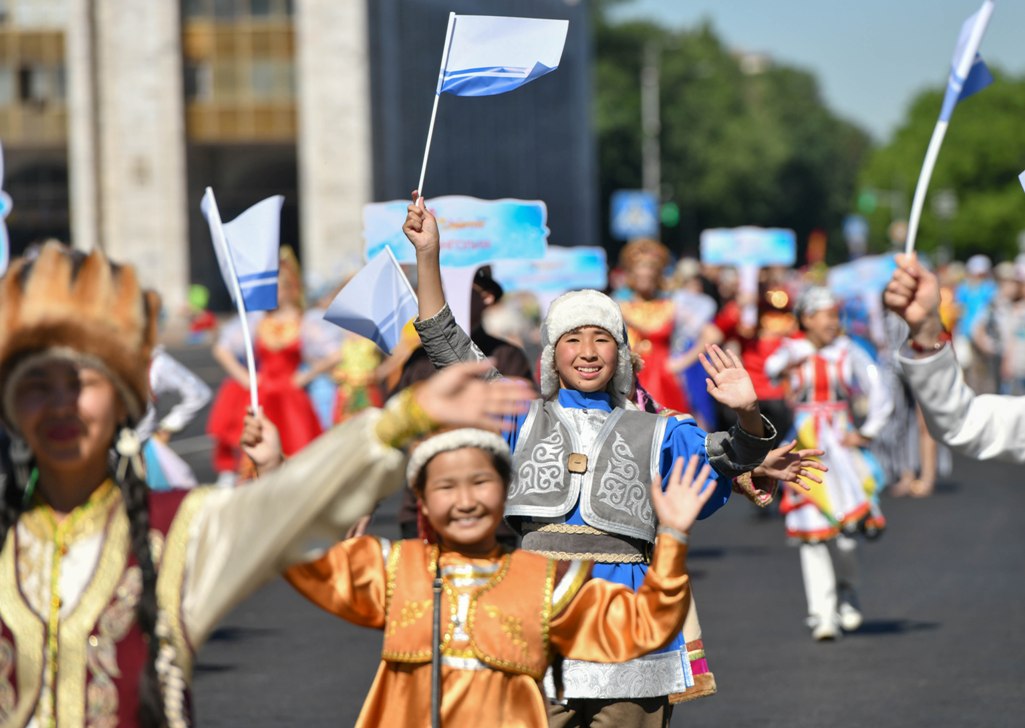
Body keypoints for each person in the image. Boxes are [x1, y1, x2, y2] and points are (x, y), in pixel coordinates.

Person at [0, 242, 531, 727]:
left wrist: (404, 417)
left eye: (80, 383)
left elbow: (287, 505)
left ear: (122, 397)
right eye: (36, 385)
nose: (60, 406)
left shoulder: (180, 529)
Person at [404, 194, 776, 725]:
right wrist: (428, 255)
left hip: (629, 617)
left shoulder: (661, 429)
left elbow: (729, 462)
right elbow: (447, 346)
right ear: (551, 355)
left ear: (619, 353)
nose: (587, 350)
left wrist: (749, 416)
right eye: (572, 339)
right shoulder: (519, 415)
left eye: (601, 338)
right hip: (533, 610)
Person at [283, 427, 715, 727]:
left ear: (508, 490)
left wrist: (673, 537)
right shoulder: (396, 569)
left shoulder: (544, 583)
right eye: (447, 487)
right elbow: (301, 563)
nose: (466, 500)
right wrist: (270, 469)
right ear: (424, 503)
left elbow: (644, 625)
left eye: (481, 482)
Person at [765, 286, 893, 641]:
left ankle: (848, 591)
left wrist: (867, 432)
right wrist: (799, 354)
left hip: (841, 444)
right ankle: (822, 613)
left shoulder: (849, 351)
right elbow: (771, 369)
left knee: (849, 533)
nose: (833, 322)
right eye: (825, 315)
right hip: (806, 447)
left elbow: (878, 388)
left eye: (836, 315)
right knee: (811, 535)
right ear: (806, 319)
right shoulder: (793, 352)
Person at [884, 253, 1025, 462]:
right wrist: (926, 329)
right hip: (969, 343)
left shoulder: (988, 291)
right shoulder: (968, 291)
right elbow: (963, 423)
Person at [206, 247, 328, 485]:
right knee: (254, 447)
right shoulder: (259, 320)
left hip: (290, 397)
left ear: (289, 289)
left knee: (297, 449)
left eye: (278, 288)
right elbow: (222, 349)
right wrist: (245, 378)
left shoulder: (304, 321)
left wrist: (307, 376)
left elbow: (333, 354)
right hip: (263, 393)